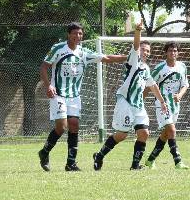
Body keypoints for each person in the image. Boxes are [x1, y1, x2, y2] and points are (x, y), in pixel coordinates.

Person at [38, 22, 127, 172]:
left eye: (80, 34)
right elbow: (44, 67)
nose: (77, 36)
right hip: (58, 94)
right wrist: (48, 85)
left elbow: (106, 57)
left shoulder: (83, 52)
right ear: (69, 34)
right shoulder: (58, 49)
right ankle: (44, 152)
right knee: (62, 127)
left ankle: (71, 163)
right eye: (75, 33)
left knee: (74, 125)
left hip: (74, 96)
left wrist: (128, 57)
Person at [93, 20, 167, 171]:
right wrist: (138, 31)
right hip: (125, 102)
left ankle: (135, 165)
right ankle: (99, 155)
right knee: (121, 135)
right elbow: (135, 45)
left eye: (148, 51)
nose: (145, 52)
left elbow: (152, 85)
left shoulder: (146, 68)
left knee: (144, 133)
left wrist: (162, 101)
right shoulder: (133, 59)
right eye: (143, 49)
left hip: (138, 105)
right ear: (138, 50)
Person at [144, 42, 189, 170]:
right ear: (166, 52)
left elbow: (185, 84)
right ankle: (178, 161)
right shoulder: (159, 68)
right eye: (170, 51)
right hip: (162, 104)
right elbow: (149, 85)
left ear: (178, 53)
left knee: (166, 133)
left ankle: (150, 160)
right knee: (172, 130)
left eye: (175, 51)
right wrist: (141, 100)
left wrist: (180, 95)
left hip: (175, 104)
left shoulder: (182, 67)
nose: (173, 53)